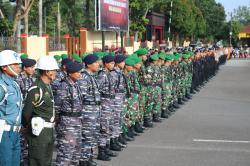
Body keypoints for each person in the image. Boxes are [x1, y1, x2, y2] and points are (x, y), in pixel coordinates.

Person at [22, 55, 59, 166]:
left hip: (48, 131)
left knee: (46, 161)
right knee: (38, 161)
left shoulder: (47, 86)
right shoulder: (36, 89)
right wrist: (25, 126)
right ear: (47, 72)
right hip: (39, 132)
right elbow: (26, 113)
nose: (56, 73)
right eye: (54, 70)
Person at [55, 61, 83, 166]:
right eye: (77, 72)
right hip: (67, 122)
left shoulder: (76, 84)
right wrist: (59, 121)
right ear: (70, 73)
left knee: (76, 150)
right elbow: (57, 106)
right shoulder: (64, 86)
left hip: (77, 121)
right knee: (66, 151)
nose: (79, 74)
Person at [0, 50, 23, 166]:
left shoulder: (14, 84)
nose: (18, 67)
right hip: (4, 134)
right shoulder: (1, 86)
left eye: (18, 64)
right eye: (14, 64)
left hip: (15, 133)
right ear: (4, 66)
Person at [79, 54, 101, 166]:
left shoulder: (92, 76)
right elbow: (80, 98)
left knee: (92, 135)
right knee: (86, 136)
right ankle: (83, 160)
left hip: (94, 110)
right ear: (88, 64)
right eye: (96, 62)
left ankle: (88, 157)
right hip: (87, 111)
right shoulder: (84, 77)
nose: (98, 64)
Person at [16, 57, 36, 166]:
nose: (33, 69)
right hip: (21, 113)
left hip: (30, 113)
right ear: (25, 68)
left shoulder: (31, 79)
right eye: (31, 67)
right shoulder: (18, 79)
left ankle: (26, 159)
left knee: (28, 139)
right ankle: (21, 161)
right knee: (21, 139)